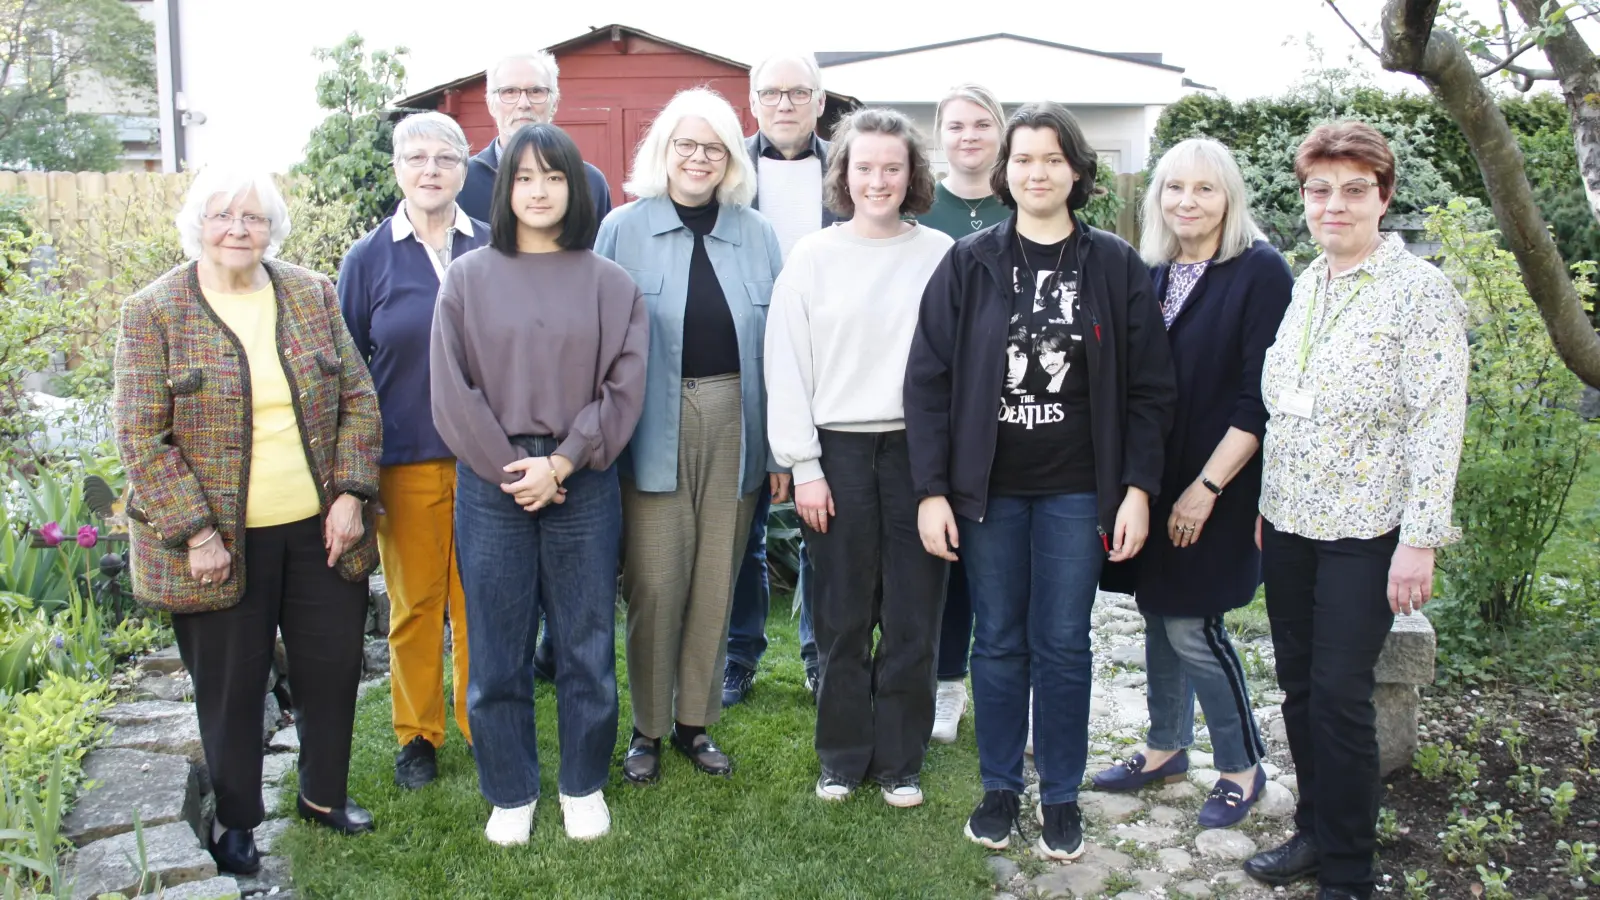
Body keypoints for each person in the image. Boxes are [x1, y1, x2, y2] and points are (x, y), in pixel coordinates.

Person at [905, 102, 1177, 858]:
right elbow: (928, 380)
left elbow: (1152, 389)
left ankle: (1059, 795)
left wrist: (1139, 490)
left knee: (1062, 641)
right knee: (996, 640)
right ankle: (999, 787)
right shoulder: (972, 262)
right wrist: (932, 490)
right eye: (1023, 159)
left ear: (1077, 171)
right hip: (986, 492)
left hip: (1077, 489)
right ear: (1006, 173)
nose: (1036, 173)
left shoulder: (1115, 265)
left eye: (1052, 159)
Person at [113, 169, 383, 876]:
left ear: (273, 230)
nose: (239, 228)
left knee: (330, 668)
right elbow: (142, 436)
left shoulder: (310, 293)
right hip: (218, 543)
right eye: (224, 215)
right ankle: (236, 821)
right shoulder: (154, 310)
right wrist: (196, 534)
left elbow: (358, 395)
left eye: (255, 218)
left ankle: (323, 796)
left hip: (321, 529)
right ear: (197, 224)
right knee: (233, 688)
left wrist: (352, 494)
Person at [1244, 122, 1467, 900]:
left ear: (1383, 197)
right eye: (1319, 191)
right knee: (1300, 685)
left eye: (1353, 191)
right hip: (1292, 520)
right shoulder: (1311, 282)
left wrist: (1421, 540)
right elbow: (1284, 407)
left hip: (1368, 528)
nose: (1333, 205)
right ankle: (1314, 830)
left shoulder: (1419, 292)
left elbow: (1437, 420)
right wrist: (1269, 501)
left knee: (1340, 694)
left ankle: (1350, 867)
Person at [430, 123, 648, 845]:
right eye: (523, 178)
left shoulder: (610, 284)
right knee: (495, 643)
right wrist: (510, 469)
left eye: (553, 176)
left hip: (580, 480)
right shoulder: (466, 278)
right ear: (505, 190)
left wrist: (562, 461)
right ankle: (510, 789)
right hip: (492, 480)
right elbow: (452, 389)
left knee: (586, 642)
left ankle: (582, 782)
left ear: (575, 187)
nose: (538, 190)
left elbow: (624, 383)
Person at [1089, 138, 1293, 829]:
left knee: (1191, 622)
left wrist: (1206, 487)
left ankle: (1241, 764)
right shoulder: (1152, 271)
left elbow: (1259, 398)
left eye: (1205, 189)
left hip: (1219, 482)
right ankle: (1165, 747)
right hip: (1154, 480)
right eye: (1174, 188)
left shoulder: (1260, 272)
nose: (1187, 202)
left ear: (1229, 197)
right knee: (1156, 608)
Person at [594, 88, 786, 784]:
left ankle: (694, 723)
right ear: (663, 152)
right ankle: (646, 728)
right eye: (686, 145)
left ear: (731, 158)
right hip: (651, 424)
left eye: (714, 147)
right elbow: (599, 341)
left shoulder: (757, 234)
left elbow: (783, 349)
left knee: (715, 580)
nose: (699, 159)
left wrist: (780, 450)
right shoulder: (622, 228)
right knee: (655, 580)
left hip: (738, 418)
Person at [766, 107, 953, 808]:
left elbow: (959, 368)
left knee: (912, 613)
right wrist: (805, 467)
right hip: (836, 452)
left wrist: (945, 474)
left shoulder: (939, 255)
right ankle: (842, 757)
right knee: (843, 616)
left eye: (893, 168)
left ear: (913, 176)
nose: (879, 180)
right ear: (843, 174)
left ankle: (900, 760)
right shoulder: (813, 258)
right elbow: (786, 363)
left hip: (917, 449)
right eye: (865, 167)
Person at [337, 112, 488, 791]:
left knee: (485, 600)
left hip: (487, 458)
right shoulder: (368, 259)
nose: (431, 169)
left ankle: (482, 720)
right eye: (416, 157)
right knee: (417, 604)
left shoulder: (493, 245)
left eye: (446, 158)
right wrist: (350, 476)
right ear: (398, 168)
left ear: (465, 169)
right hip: (405, 461)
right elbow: (346, 374)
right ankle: (417, 736)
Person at [723, 51, 836, 707]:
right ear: (754, 100)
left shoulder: (846, 168)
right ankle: (739, 656)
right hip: (746, 361)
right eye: (773, 92)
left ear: (821, 101)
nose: (786, 103)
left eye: (800, 92)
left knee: (825, 522)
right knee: (746, 525)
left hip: (830, 365)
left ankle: (821, 654)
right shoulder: (728, 168)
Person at [917, 83, 1007, 746]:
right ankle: (947, 685)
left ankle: (1007, 685)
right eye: (956, 125)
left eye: (981, 124)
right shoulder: (924, 208)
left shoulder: (1023, 202)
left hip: (1017, 412)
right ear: (939, 135)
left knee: (1001, 563)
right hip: (943, 406)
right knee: (944, 560)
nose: (969, 136)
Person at [458, 52, 612, 253]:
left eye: (536, 91)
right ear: (490, 104)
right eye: (510, 92)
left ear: (554, 103)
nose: (523, 103)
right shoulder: (463, 181)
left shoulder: (589, 181)